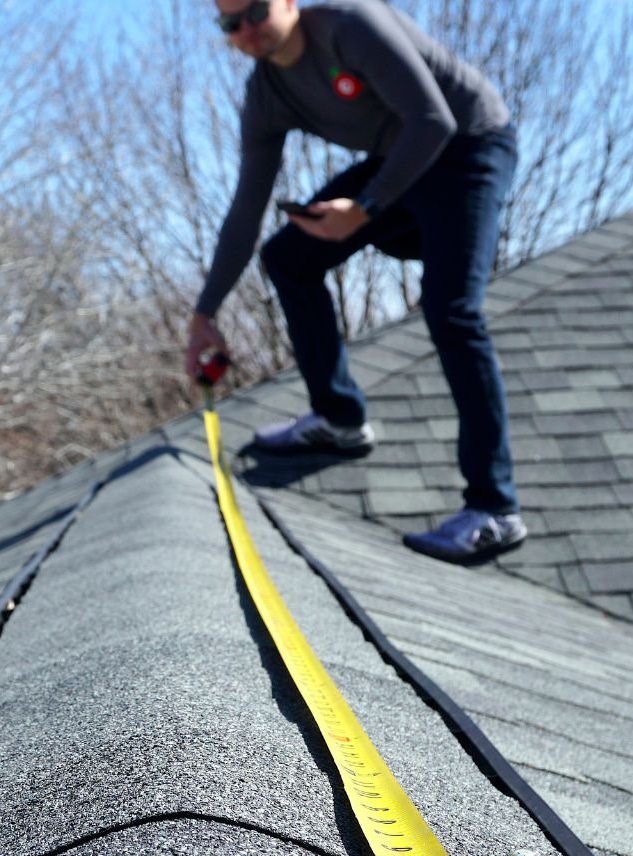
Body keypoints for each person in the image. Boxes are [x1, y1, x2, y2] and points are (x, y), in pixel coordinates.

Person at [184, 0, 526, 563]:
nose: (245, 30)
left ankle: (495, 508)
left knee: (452, 310)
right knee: (288, 256)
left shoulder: (351, 26)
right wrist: (205, 315)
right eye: (229, 24)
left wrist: (365, 208)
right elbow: (246, 209)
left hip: (469, 146)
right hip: (402, 162)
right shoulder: (266, 94)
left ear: (288, 2)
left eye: (255, 11)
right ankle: (339, 420)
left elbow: (434, 119)